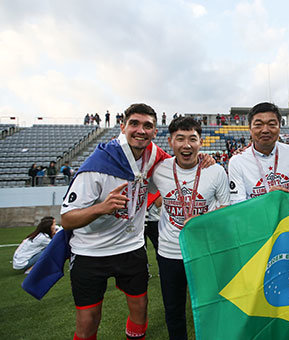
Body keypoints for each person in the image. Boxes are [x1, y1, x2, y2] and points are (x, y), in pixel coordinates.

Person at [60, 103, 166, 340]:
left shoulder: (154, 156)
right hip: (90, 251)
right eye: (134, 124)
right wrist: (101, 208)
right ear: (122, 127)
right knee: (88, 320)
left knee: (140, 309)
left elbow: (180, 165)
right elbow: (66, 219)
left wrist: (205, 160)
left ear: (155, 132)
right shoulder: (97, 166)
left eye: (148, 125)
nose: (141, 130)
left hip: (130, 247)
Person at [149, 117, 230, 339]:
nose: (187, 145)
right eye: (180, 139)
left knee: (211, 307)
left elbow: (225, 207)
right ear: (170, 141)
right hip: (169, 253)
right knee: (174, 311)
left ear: (201, 142)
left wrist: (202, 218)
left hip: (205, 252)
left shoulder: (215, 171)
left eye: (192, 139)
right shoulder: (159, 170)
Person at [228, 102, 289, 204]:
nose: (265, 130)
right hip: (256, 219)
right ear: (249, 128)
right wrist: (268, 199)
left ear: (279, 127)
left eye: (272, 124)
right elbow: (238, 204)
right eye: (258, 125)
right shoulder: (237, 162)